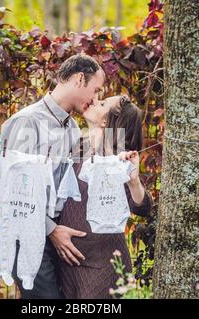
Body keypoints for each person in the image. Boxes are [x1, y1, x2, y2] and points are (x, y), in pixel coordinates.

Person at [0, 53, 105, 298]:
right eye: (95, 90)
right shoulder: (26, 123)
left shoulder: (73, 128)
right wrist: (52, 230)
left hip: (59, 238)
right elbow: (13, 196)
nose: (96, 98)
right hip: (28, 237)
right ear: (79, 79)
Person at [58, 95, 154, 298]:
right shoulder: (78, 146)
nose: (93, 100)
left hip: (102, 265)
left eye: (101, 104)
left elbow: (142, 207)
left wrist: (133, 181)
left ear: (105, 121)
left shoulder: (119, 157)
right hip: (68, 261)